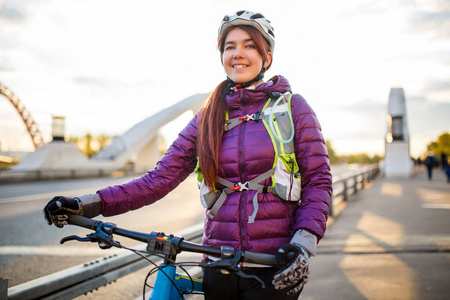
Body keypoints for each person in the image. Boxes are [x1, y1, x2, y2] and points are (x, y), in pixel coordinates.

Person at [43, 10, 332, 299]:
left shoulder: (294, 109)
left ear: (266, 56)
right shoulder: (207, 117)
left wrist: (302, 246)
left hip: (273, 265)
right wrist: (87, 204)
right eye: (229, 47)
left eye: (249, 45)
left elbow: (318, 182)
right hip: (216, 263)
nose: (237, 54)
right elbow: (158, 179)